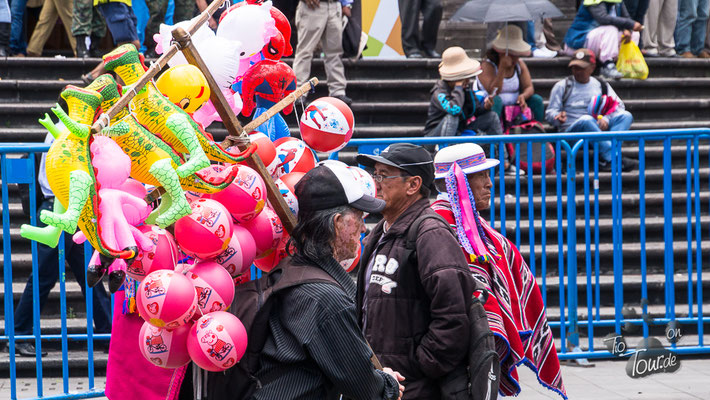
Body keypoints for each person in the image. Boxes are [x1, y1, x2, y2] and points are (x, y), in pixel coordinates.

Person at [252, 161, 404, 400]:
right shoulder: (327, 299)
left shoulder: (291, 269)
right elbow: (366, 390)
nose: (364, 227)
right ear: (336, 223)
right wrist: (388, 384)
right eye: (358, 217)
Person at [430, 143, 567, 400]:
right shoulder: (443, 228)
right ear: (458, 182)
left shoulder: (474, 228)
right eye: (481, 176)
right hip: (456, 350)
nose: (489, 183)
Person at [355, 143, 476, 399]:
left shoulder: (431, 233)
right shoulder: (380, 232)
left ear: (412, 185)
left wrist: (420, 366)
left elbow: (453, 316)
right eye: (374, 173)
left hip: (414, 387)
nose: (374, 182)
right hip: (385, 383)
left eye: (383, 175)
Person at [13, 132, 112, 357]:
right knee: (44, 277)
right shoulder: (66, 131)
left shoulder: (65, 130)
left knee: (89, 274)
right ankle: (19, 334)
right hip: (59, 209)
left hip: (69, 210)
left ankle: (107, 332)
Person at [545, 48, 638, 172]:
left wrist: (606, 118)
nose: (577, 71)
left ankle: (605, 157)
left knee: (626, 116)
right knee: (586, 120)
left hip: (597, 130)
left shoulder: (600, 84)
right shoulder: (563, 86)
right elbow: (550, 113)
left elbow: (618, 106)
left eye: (581, 68)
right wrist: (557, 117)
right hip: (571, 135)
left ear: (592, 67)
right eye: (574, 68)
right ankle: (612, 157)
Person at [423, 46, 502, 139]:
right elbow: (455, 110)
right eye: (465, 77)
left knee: (491, 116)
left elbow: (475, 110)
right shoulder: (439, 92)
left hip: (459, 131)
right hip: (434, 138)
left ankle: (502, 153)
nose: (468, 80)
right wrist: (458, 88)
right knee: (452, 117)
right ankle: (445, 150)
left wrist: (485, 107)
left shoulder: (466, 88)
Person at [477, 25, 546, 123]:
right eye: (512, 54)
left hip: (514, 109)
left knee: (536, 100)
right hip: (490, 108)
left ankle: (538, 131)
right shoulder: (486, 66)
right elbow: (494, 92)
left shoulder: (519, 64)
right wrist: (502, 68)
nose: (515, 58)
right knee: (496, 101)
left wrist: (523, 96)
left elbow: (529, 87)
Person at [292, 0, 353, 106]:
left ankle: (337, 92)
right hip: (312, 6)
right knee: (305, 51)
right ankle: (299, 93)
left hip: (334, 6)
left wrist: (346, 3)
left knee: (335, 53)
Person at [563, 0, 644, 79]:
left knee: (634, 33)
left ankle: (625, 64)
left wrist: (627, 29)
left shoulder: (618, 1)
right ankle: (608, 65)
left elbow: (626, 18)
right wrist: (630, 24)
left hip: (601, 41)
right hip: (580, 41)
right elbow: (603, 18)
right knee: (610, 29)